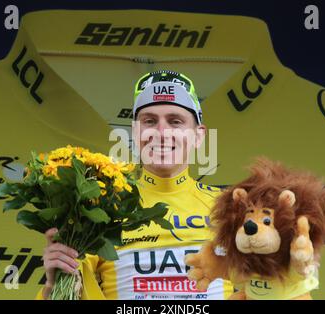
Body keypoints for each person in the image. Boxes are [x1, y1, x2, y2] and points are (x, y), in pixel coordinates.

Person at [37, 70, 234, 300]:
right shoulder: (99, 211)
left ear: (199, 135)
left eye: (175, 121)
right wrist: (53, 284)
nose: (162, 133)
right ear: (135, 132)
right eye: (150, 121)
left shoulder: (230, 209)